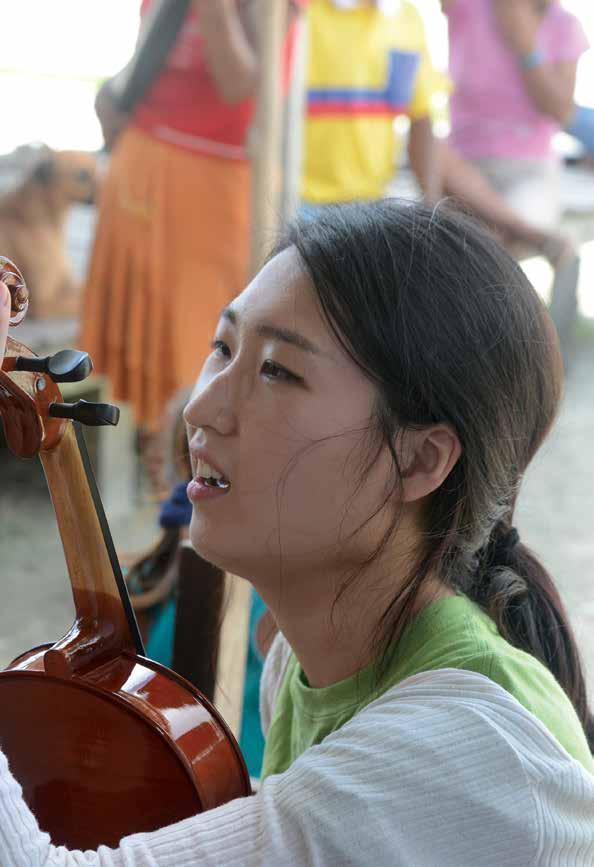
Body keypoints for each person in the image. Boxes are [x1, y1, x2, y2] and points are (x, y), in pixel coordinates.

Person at [1, 200, 594, 864]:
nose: (202, 408)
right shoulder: (300, 656)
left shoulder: (464, 749)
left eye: (278, 372)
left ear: (421, 459)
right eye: (222, 348)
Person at [80, 0, 303, 464]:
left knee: (202, 345)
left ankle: (188, 479)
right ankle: (162, 484)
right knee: (141, 350)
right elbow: (148, 56)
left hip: (217, 184)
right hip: (139, 167)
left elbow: (240, 84)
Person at [442, 0, 588, 241]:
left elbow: (561, 110)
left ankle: (516, 231)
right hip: (465, 161)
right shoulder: (467, 6)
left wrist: (525, 47)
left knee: (488, 244)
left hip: (529, 169)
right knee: (436, 153)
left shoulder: (564, 25)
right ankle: (525, 232)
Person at [300, 0, 443, 213]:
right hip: (299, 201)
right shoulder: (304, 12)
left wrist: (432, 212)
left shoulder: (407, 18)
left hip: (371, 204)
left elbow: (421, 118)